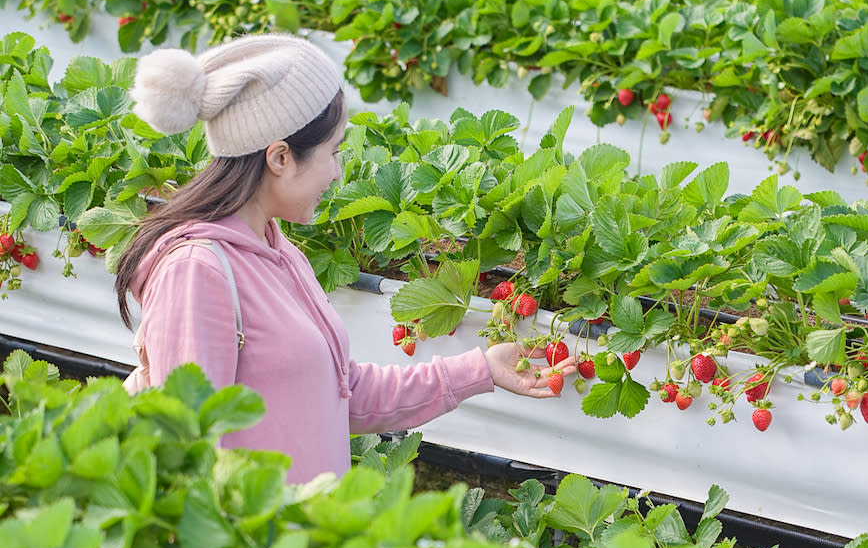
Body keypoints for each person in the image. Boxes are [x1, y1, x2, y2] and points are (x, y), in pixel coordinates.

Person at [116, 33, 575, 483]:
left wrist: (481, 369)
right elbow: (185, 458)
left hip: (310, 544)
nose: (337, 171)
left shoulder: (278, 251)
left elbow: (338, 395)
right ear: (279, 157)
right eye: (332, 152)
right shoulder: (197, 273)